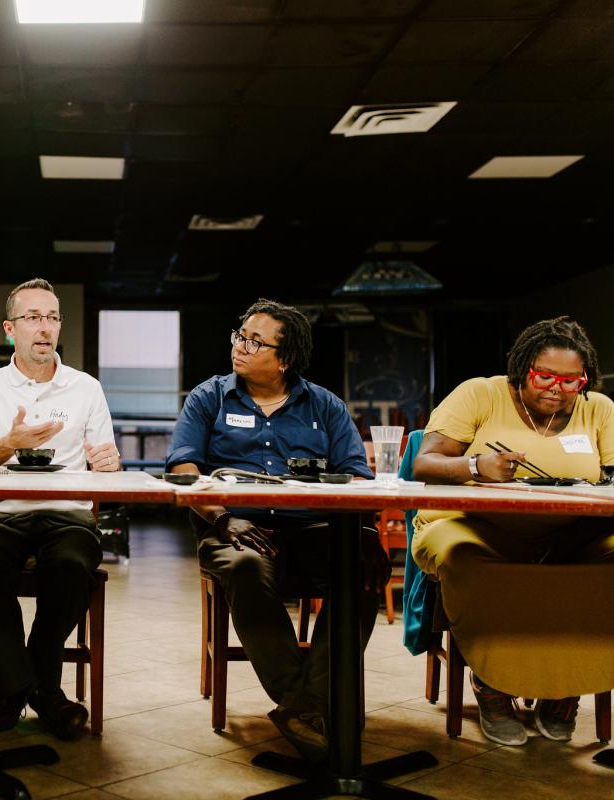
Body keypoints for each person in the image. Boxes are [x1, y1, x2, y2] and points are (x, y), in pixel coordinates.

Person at [165, 298, 387, 762]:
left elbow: (359, 476)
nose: (240, 347)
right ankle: (312, 703)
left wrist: (365, 533)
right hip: (234, 528)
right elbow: (184, 468)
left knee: (364, 573)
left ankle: (305, 707)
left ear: (283, 359)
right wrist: (224, 518)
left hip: (314, 527)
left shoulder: (324, 406)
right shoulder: (209, 398)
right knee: (245, 567)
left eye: (254, 342)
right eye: (239, 337)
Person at [412, 316, 614, 747]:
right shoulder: (480, 393)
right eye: (544, 376)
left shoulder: (599, 409)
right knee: (464, 558)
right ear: (523, 368)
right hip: (473, 526)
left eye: (571, 381)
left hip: (571, 533)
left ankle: (567, 688)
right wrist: (475, 466)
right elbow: (424, 463)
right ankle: (493, 685)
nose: (556, 389)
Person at [0, 278, 121, 741]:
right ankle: (39, 691)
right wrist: (8, 443)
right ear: (11, 329)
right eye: (32, 318)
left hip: (66, 513)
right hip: (2, 512)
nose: (44, 328)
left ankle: (16, 689)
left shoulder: (86, 388)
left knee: (69, 566)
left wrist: (109, 462)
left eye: (52, 317)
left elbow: (104, 461)